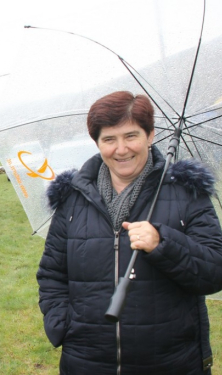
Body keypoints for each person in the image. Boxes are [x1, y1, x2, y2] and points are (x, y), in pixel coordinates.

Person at [37, 91, 222, 374]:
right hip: (87, 361)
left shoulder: (186, 193)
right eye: (109, 139)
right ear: (97, 143)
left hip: (170, 361)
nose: (121, 149)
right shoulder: (72, 199)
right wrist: (61, 324)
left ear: (150, 135)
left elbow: (214, 271)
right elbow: (52, 274)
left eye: (131, 136)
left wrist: (164, 243)